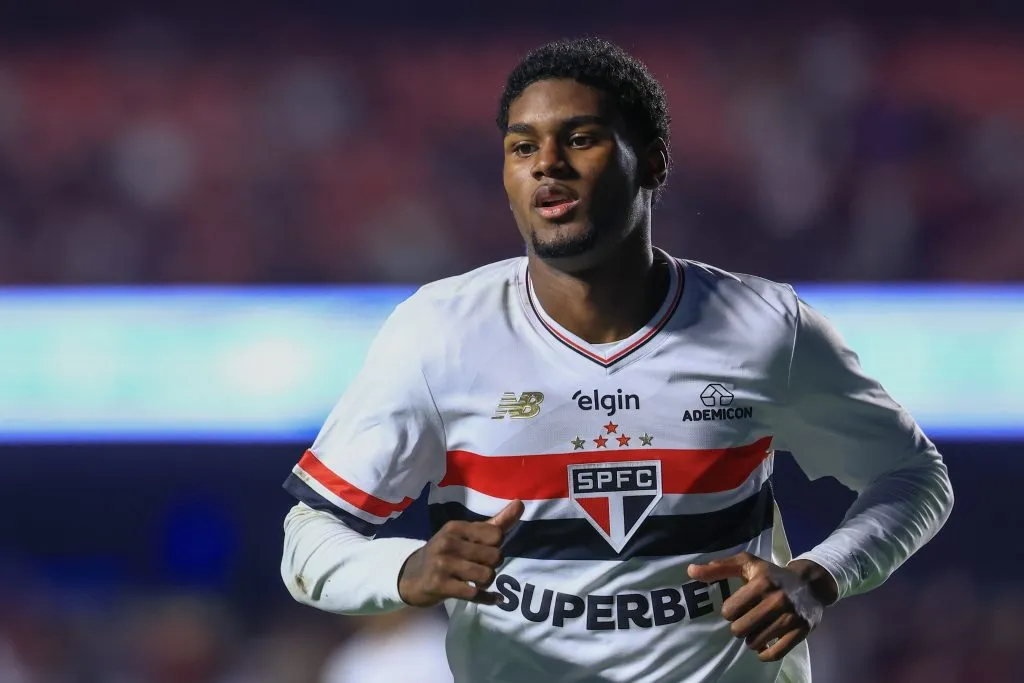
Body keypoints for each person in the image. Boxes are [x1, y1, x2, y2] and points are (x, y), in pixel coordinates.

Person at [279, 37, 953, 683]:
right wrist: (408, 570)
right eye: (522, 146)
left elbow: (914, 476)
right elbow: (309, 538)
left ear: (653, 163)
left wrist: (822, 573)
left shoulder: (766, 326)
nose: (547, 164)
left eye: (579, 138)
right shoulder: (438, 333)